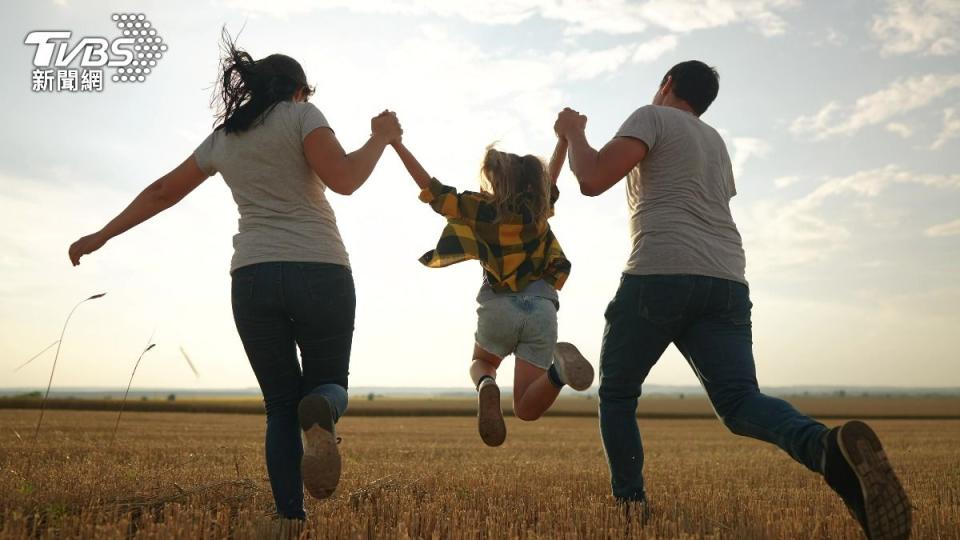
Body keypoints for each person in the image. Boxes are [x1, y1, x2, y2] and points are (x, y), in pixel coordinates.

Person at [554, 60, 911, 539]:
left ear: (667, 85)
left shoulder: (652, 116)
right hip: (726, 279)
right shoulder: (715, 142)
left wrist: (573, 132)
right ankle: (828, 449)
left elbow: (593, 179)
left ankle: (630, 511)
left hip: (660, 273)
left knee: (617, 395)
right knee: (741, 402)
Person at [67, 31, 402, 520]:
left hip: (252, 278)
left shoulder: (225, 137)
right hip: (320, 269)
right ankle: (324, 411)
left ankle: (290, 520)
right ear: (297, 90)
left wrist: (102, 234)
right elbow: (346, 179)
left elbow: (163, 191)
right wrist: (382, 138)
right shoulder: (303, 116)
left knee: (279, 407)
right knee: (328, 384)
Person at [389, 133, 595, 447]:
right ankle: (558, 373)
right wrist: (564, 140)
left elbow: (432, 189)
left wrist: (397, 143)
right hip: (541, 307)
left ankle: (486, 384)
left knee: (481, 363)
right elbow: (551, 179)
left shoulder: (478, 207)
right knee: (526, 408)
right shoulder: (539, 208)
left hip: (498, 306)